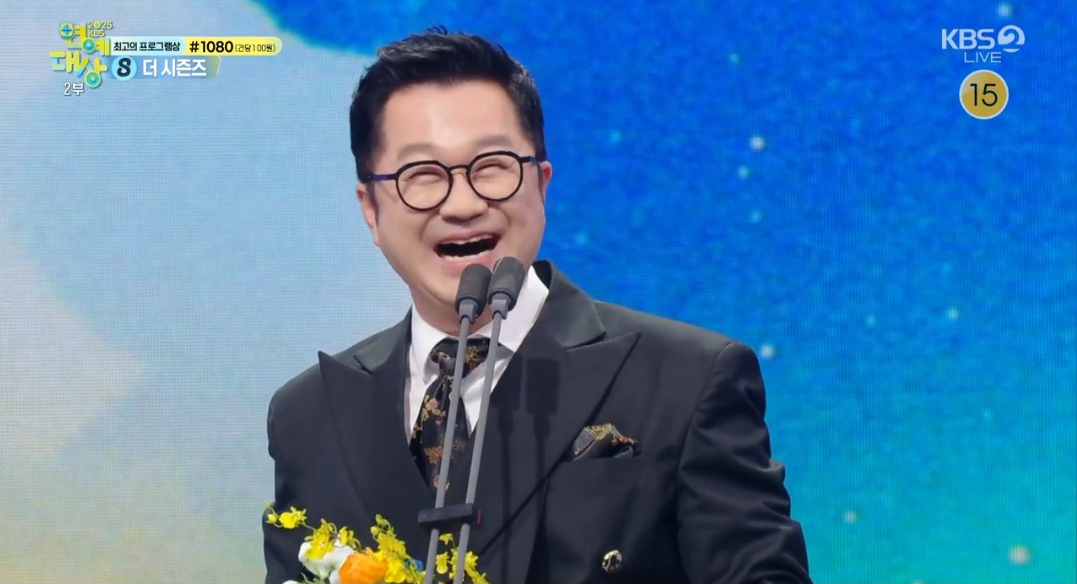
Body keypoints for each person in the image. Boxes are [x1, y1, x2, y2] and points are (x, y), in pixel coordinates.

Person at [263, 27, 811, 584]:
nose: (463, 203)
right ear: (371, 209)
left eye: (492, 166)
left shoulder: (685, 379)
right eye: (422, 176)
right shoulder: (309, 417)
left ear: (542, 184)